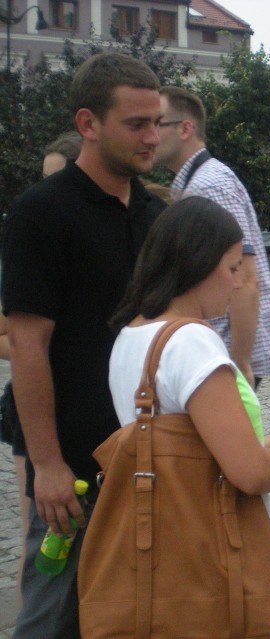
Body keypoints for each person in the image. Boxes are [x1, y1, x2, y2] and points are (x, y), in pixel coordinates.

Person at [0, 51, 167, 638]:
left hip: (145, 455)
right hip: (70, 465)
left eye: (158, 122)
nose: (152, 138)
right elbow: (27, 347)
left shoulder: (153, 212)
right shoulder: (42, 213)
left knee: (129, 612)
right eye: (136, 124)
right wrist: (45, 463)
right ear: (87, 124)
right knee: (51, 615)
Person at [106, 197, 270, 617]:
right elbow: (252, 475)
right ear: (198, 263)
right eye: (233, 267)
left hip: (165, 537)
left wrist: (259, 446)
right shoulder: (191, 341)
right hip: (210, 541)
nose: (238, 283)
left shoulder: (130, 334)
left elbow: (191, 446)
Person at [0, 130, 83, 610]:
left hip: (79, 410)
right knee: (41, 530)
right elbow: (19, 332)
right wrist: (34, 348)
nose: (48, 192)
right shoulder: (35, 226)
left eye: (58, 178)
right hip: (32, 406)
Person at [153, 85, 270, 389]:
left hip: (223, 354)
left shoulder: (208, 186)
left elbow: (244, 278)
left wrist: (240, 364)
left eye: (157, 123)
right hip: (220, 352)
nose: (149, 134)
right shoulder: (203, 180)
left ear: (186, 128)